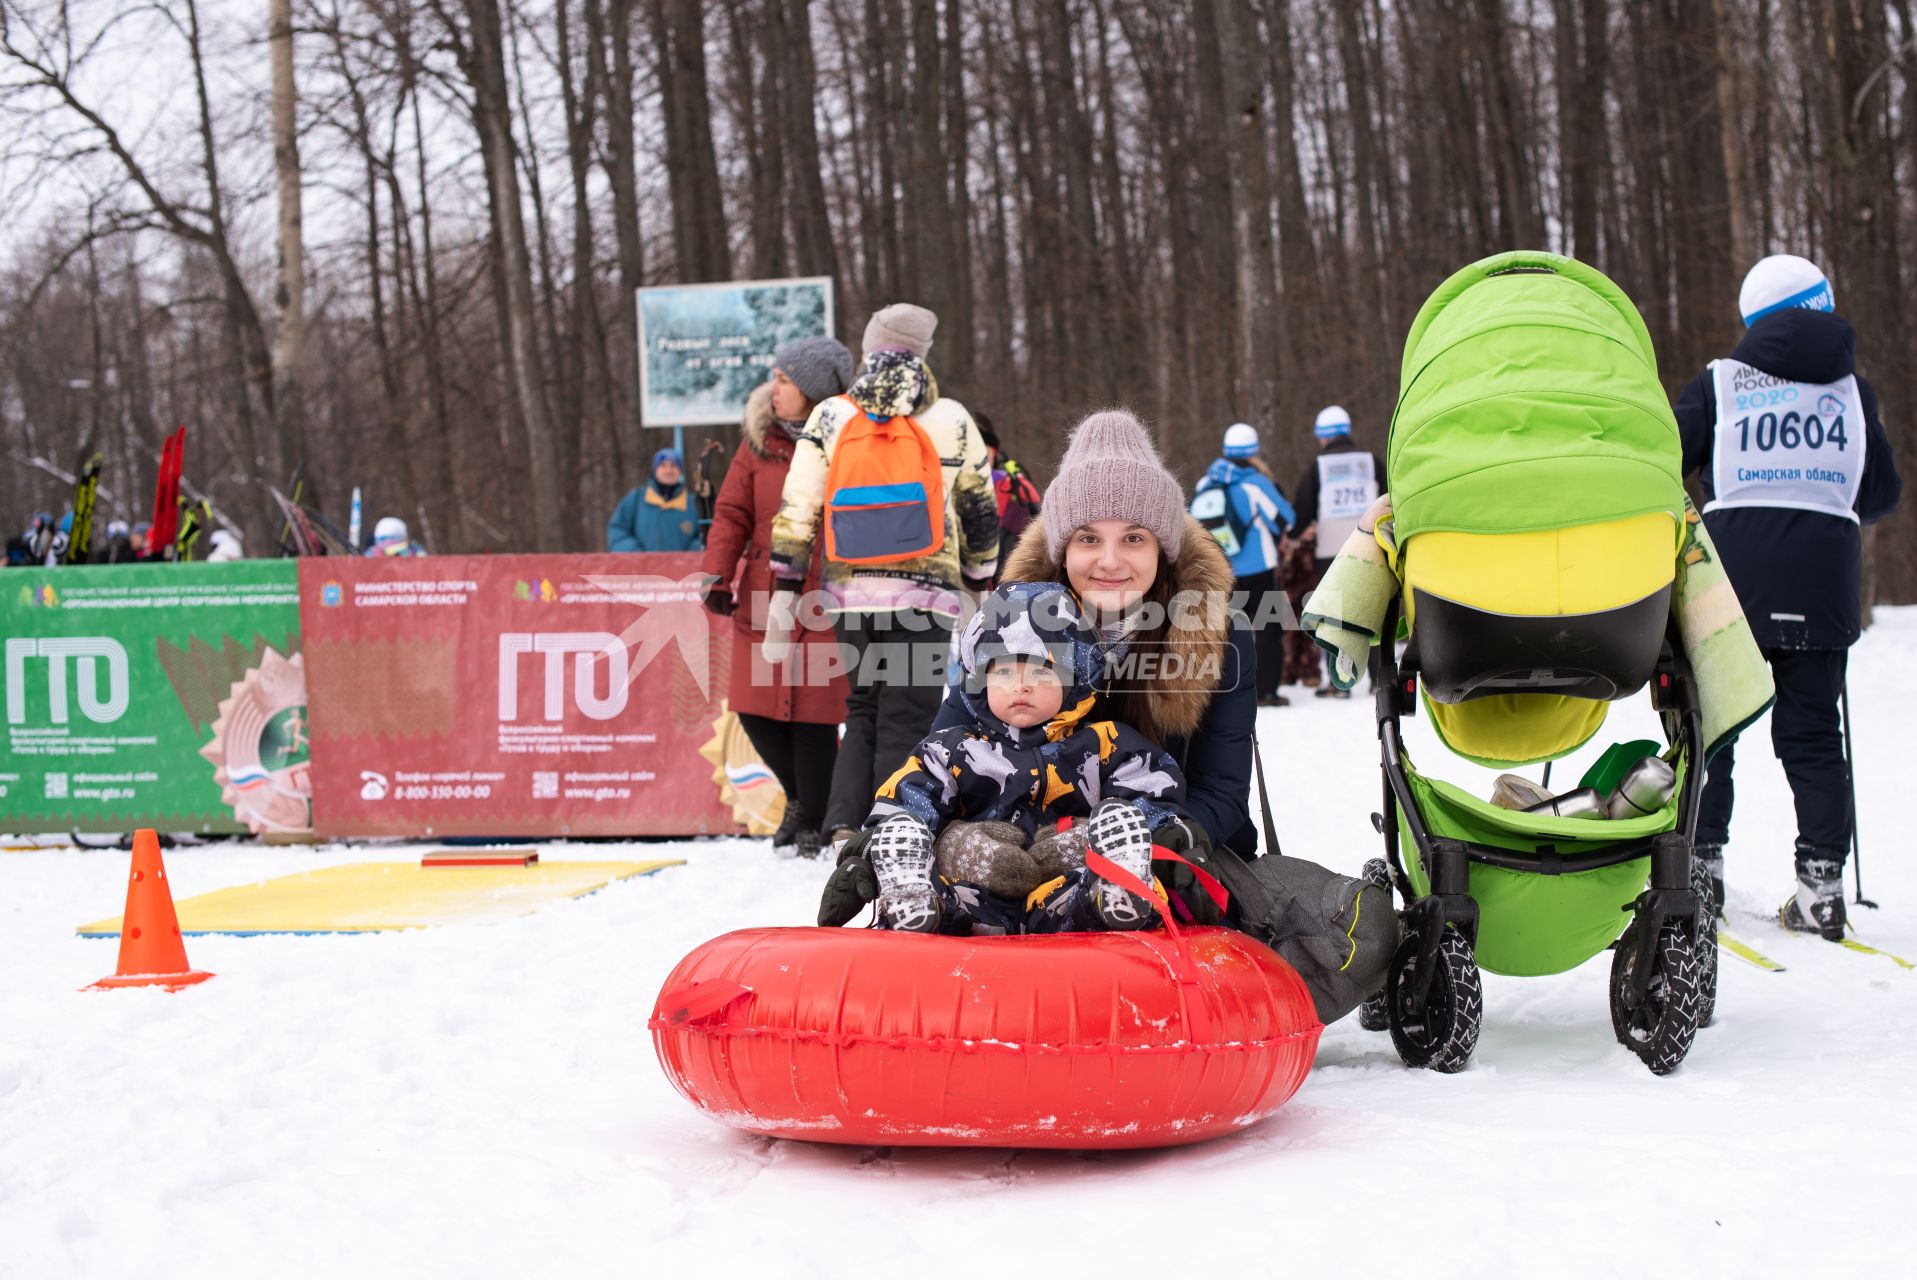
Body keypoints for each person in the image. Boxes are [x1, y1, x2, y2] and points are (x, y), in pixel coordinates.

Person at [1673, 253, 1901, 940]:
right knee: (1811, 737)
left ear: (1752, 321)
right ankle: (1821, 887)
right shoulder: (1853, 393)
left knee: (1714, 727)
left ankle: (1701, 869)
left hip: (1732, 583)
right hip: (1822, 584)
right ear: (1823, 306)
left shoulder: (1720, 382)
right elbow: (1881, 492)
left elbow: (1664, 456)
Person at [765, 303, 1000, 849]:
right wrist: (977, 579)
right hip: (925, 594)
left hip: (849, 594)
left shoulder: (830, 417)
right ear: (924, 352)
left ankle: (844, 821)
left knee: (863, 706)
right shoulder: (952, 419)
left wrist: (783, 593)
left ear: (869, 348)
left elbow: (797, 508)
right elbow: (981, 511)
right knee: (909, 713)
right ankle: (892, 824)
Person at [858, 580, 1186, 934]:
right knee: (952, 892)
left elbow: (1153, 790)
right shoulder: (954, 749)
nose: (1021, 685)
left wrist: (1106, 834)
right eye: (1003, 671)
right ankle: (915, 899)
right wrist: (894, 834)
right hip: (980, 888)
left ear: (1073, 680)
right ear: (981, 679)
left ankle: (1119, 891)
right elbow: (909, 795)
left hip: (1064, 893)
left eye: (1041, 671)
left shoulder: (1104, 744)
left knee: (1083, 893)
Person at [700, 337, 856, 858]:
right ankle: (800, 801)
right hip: (765, 592)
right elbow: (731, 514)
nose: (775, 389)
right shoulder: (758, 441)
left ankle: (812, 814)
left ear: (813, 391)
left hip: (828, 593)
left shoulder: (849, 441)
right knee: (754, 707)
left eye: (785, 380)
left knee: (813, 712)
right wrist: (715, 576)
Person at [1192, 422, 1295, 707]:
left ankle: (1223, 689)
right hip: (1260, 566)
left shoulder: (1205, 483)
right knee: (1268, 629)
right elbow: (1286, 519)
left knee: (1223, 630)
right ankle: (1265, 691)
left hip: (1221, 569)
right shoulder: (1256, 483)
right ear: (1253, 451)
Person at [1287, 405, 1383, 697]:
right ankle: (1380, 677)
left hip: (1332, 552)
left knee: (1335, 614)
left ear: (1322, 437)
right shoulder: (1372, 461)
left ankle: (1339, 682)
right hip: (1373, 546)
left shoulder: (1318, 468)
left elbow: (1301, 511)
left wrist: (1293, 534)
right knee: (1376, 610)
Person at [974, 412, 1043, 570]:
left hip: (1004, 582)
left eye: (982, 450)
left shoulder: (1016, 489)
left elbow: (1038, 538)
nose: (976, 458)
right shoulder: (943, 487)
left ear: (993, 453)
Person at [608, 449, 703, 552]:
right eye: (663, 465)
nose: (668, 470)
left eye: (673, 466)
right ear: (655, 469)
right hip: (640, 567)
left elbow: (707, 535)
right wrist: (636, 556)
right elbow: (618, 532)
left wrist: (689, 557)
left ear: (680, 471)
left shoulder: (694, 504)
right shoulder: (635, 500)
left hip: (684, 567)